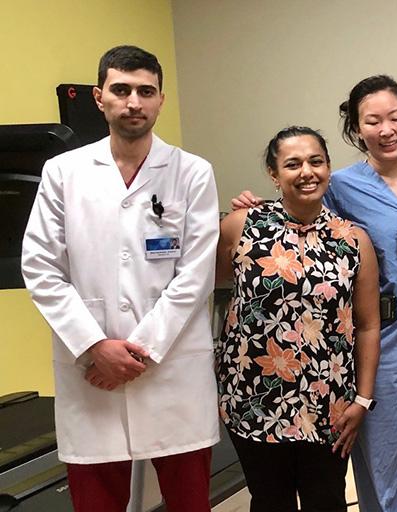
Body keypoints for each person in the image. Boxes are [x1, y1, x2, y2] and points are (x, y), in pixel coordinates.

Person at [231, 76, 397, 512]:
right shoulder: (338, 184)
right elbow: (303, 217)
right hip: (382, 326)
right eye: (372, 121)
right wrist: (254, 205)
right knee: (380, 447)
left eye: (395, 117)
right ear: (356, 129)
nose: (386, 129)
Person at [21, 45, 220, 511]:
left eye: (146, 92)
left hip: (172, 368)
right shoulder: (63, 172)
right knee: (96, 501)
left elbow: (196, 274)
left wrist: (142, 349)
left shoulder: (192, 172)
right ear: (99, 97)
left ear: (161, 100)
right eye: (122, 90)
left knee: (190, 502)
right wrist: (95, 345)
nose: (134, 102)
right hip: (91, 371)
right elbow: (40, 267)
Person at [216, 126, 381, 512]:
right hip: (254, 397)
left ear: (328, 168)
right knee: (270, 501)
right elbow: (211, 284)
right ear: (274, 175)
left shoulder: (353, 240)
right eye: (293, 164)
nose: (306, 171)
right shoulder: (241, 226)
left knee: (326, 500)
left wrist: (362, 400)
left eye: (315, 161)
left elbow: (368, 325)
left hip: (328, 403)